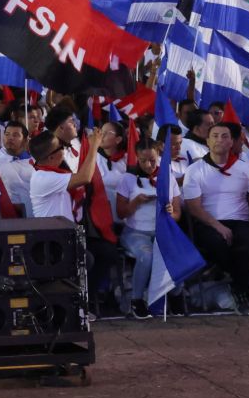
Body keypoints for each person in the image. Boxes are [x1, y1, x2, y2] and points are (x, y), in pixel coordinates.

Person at [28, 121, 121, 310]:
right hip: (52, 239)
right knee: (87, 259)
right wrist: (95, 145)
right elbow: (84, 177)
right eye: (61, 148)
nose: (64, 149)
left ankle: (87, 298)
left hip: (69, 234)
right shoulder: (43, 177)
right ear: (54, 156)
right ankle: (74, 303)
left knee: (108, 252)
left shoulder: (54, 170)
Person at [182, 122, 249, 315]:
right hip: (208, 222)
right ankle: (243, 285)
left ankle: (238, 286)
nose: (219, 140)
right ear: (207, 141)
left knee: (248, 245)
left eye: (224, 136)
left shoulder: (245, 169)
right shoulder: (195, 170)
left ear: (232, 141)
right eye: (215, 136)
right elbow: (194, 207)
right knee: (217, 243)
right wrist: (218, 226)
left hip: (241, 220)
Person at [116, 138, 181, 319]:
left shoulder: (167, 177)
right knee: (146, 256)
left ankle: (176, 295)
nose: (148, 164)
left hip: (162, 231)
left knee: (178, 253)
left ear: (158, 155)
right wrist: (135, 202)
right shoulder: (128, 179)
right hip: (135, 232)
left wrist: (170, 212)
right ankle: (137, 299)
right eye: (143, 160)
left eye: (152, 160)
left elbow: (178, 213)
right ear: (136, 158)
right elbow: (121, 213)